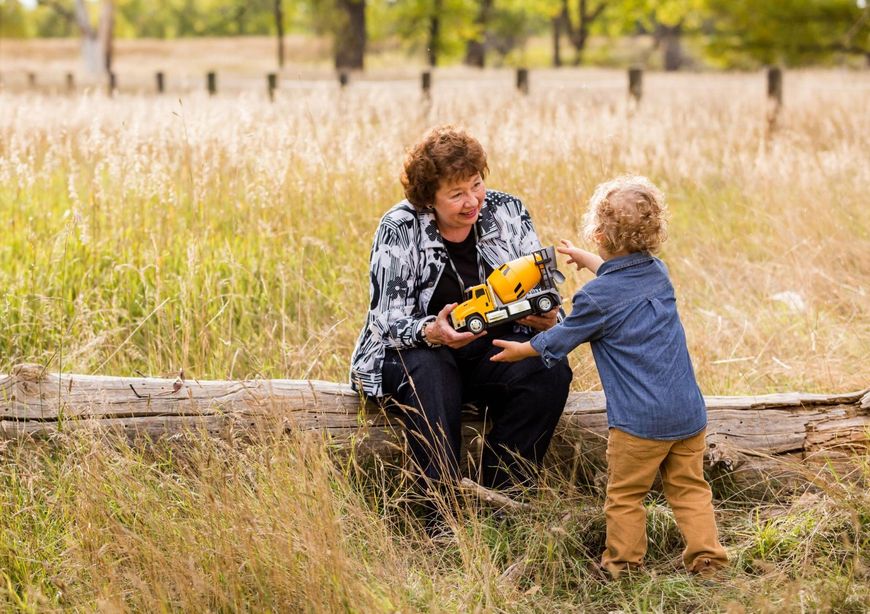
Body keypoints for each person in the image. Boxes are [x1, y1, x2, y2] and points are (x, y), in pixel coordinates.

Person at [491, 175, 728, 579]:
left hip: (639, 425)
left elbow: (562, 337)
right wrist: (589, 260)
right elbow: (622, 278)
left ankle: (621, 566)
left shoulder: (595, 299)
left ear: (599, 234)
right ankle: (709, 561)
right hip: (689, 414)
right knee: (689, 490)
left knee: (625, 497)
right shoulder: (658, 272)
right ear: (653, 234)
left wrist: (523, 350)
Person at [349, 125, 572, 494]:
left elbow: (546, 289)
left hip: (487, 350)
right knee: (432, 367)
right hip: (419, 354)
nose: (472, 201)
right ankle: (443, 510)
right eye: (456, 194)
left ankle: (503, 497)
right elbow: (385, 319)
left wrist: (549, 319)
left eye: (476, 185)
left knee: (548, 368)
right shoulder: (400, 226)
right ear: (428, 199)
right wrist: (430, 331)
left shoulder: (509, 210)